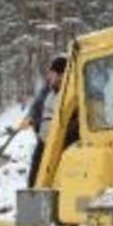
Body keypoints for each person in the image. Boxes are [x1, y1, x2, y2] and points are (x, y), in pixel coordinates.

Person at [18, 55, 67, 187]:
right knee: (35, 180)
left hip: (58, 145)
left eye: (52, 73)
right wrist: (30, 118)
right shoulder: (49, 92)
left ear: (62, 75)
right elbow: (37, 106)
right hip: (44, 141)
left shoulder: (68, 94)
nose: (49, 76)